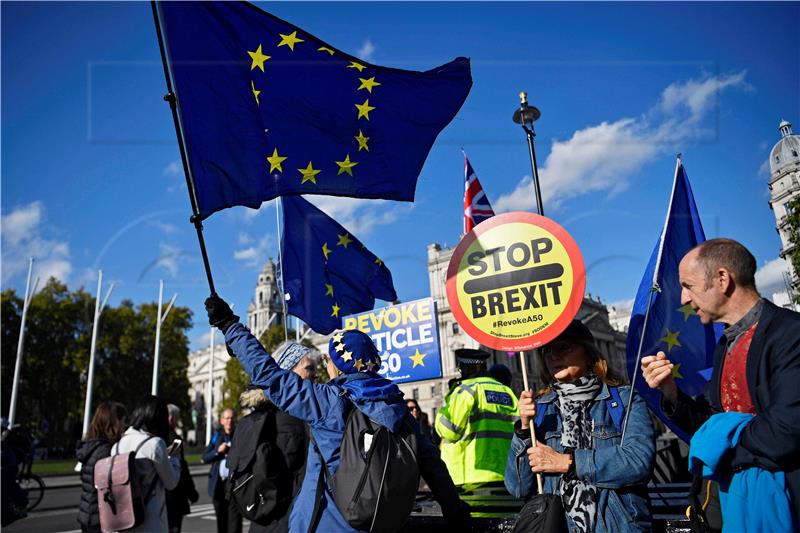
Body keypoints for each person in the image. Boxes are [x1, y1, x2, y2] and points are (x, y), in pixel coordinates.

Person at [205, 294, 470, 532]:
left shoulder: (328, 401)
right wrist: (455, 513)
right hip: (384, 522)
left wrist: (230, 327)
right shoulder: (398, 406)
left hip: (327, 522)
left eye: (328, 360)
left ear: (339, 366)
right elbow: (434, 466)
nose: (325, 367)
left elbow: (269, 376)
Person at [641, 238, 800, 526]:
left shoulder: (791, 334)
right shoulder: (724, 345)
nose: (683, 300)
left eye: (688, 286)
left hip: (781, 508)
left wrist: (719, 441)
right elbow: (708, 422)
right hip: (724, 506)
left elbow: (786, 433)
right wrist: (671, 392)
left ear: (723, 279)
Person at [506, 320, 655, 532]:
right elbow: (518, 488)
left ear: (589, 353)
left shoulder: (624, 399)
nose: (553, 356)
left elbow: (639, 461)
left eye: (564, 347)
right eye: (547, 350)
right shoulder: (541, 409)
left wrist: (568, 463)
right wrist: (523, 428)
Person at [232, 341, 313, 533]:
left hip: (265, 518)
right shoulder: (290, 419)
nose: (315, 375)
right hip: (284, 520)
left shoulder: (263, 415)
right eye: (309, 368)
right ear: (289, 371)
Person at [435, 348, 518, 489]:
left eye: (462, 369)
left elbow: (448, 430)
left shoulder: (466, 390)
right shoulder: (507, 391)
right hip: (505, 473)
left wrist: (448, 402)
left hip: (471, 476)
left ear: (470, 368)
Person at [114, 395, 182, 531]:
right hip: (150, 518)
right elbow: (171, 482)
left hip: (124, 518)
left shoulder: (118, 445)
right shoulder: (155, 444)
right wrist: (174, 459)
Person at [76, 402, 127, 533]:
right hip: (100, 517)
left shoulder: (91, 447)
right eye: (123, 421)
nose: (125, 426)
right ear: (114, 423)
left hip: (87, 513)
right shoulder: (105, 451)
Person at [204, 408, 242, 533]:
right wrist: (217, 451)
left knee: (235, 522)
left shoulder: (240, 435)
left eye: (232, 418)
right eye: (227, 418)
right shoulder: (217, 436)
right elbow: (205, 457)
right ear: (221, 421)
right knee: (221, 522)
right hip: (218, 485)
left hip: (234, 484)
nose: (229, 421)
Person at [165, 404, 199, 533]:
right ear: (171, 419)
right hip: (175, 495)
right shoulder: (174, 439)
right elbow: (182, 468)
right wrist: (192, 492)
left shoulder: (156, 436)